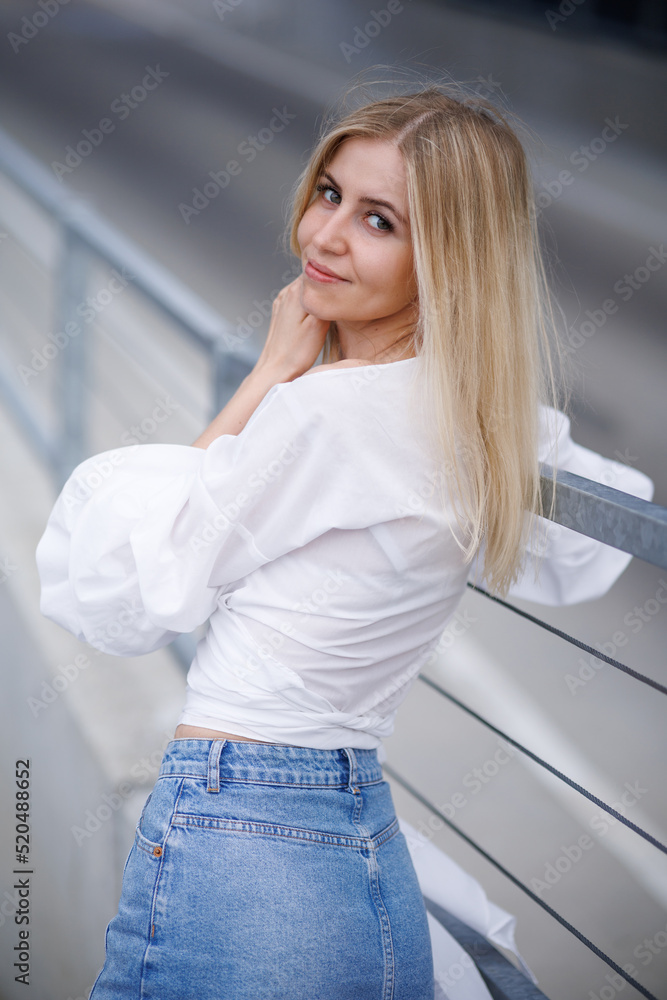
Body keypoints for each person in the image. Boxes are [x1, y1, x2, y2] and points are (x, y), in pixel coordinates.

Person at [35, 82, 654, 1000]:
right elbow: (596, 533)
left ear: (449, 256)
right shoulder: (481, 414)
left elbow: (131, 590)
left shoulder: (327, 414)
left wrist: (270, 375)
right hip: (350, 838)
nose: (325, 236)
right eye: (328, 194)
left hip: (241, 830)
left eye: (378, 221)